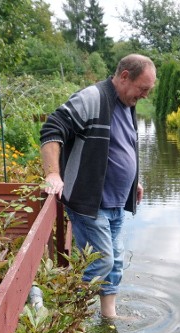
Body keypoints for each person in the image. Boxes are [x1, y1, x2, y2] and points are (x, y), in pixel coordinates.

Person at [40, 54, 156, 318]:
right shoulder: (92, 98)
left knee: (114, 263)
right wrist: (53, 174)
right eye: (143, 89)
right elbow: (52, 129)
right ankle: (66, 315)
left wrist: (134, 180)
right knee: (101, 261)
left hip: (115, 201)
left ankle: (108, 316)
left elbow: (123, 144)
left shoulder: (127, 103)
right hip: (90, 203)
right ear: (125, 76)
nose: (145, 96)